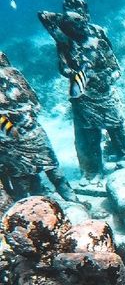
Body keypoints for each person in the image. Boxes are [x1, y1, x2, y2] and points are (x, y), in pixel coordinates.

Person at [38, 0, 125, 182]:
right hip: (84, 95)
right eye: (72, 16)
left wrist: (108, 78)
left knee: (118, 128)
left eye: (81, 13)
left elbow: (114, 64)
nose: (79, 21)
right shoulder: (64, 39)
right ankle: (94, 172)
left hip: (105, 92)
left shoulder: (98, 32)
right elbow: (44, 17)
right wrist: (67, 20)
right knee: (90, 135)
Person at [0, 52, 79, 202]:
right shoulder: (13, 73)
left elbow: (35, 103)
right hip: (10, 142)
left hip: (31, 132)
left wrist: (20, 118)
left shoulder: (14, 73)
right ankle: (33, 211)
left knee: (53, 172)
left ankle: (74, 203)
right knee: (23, 182)